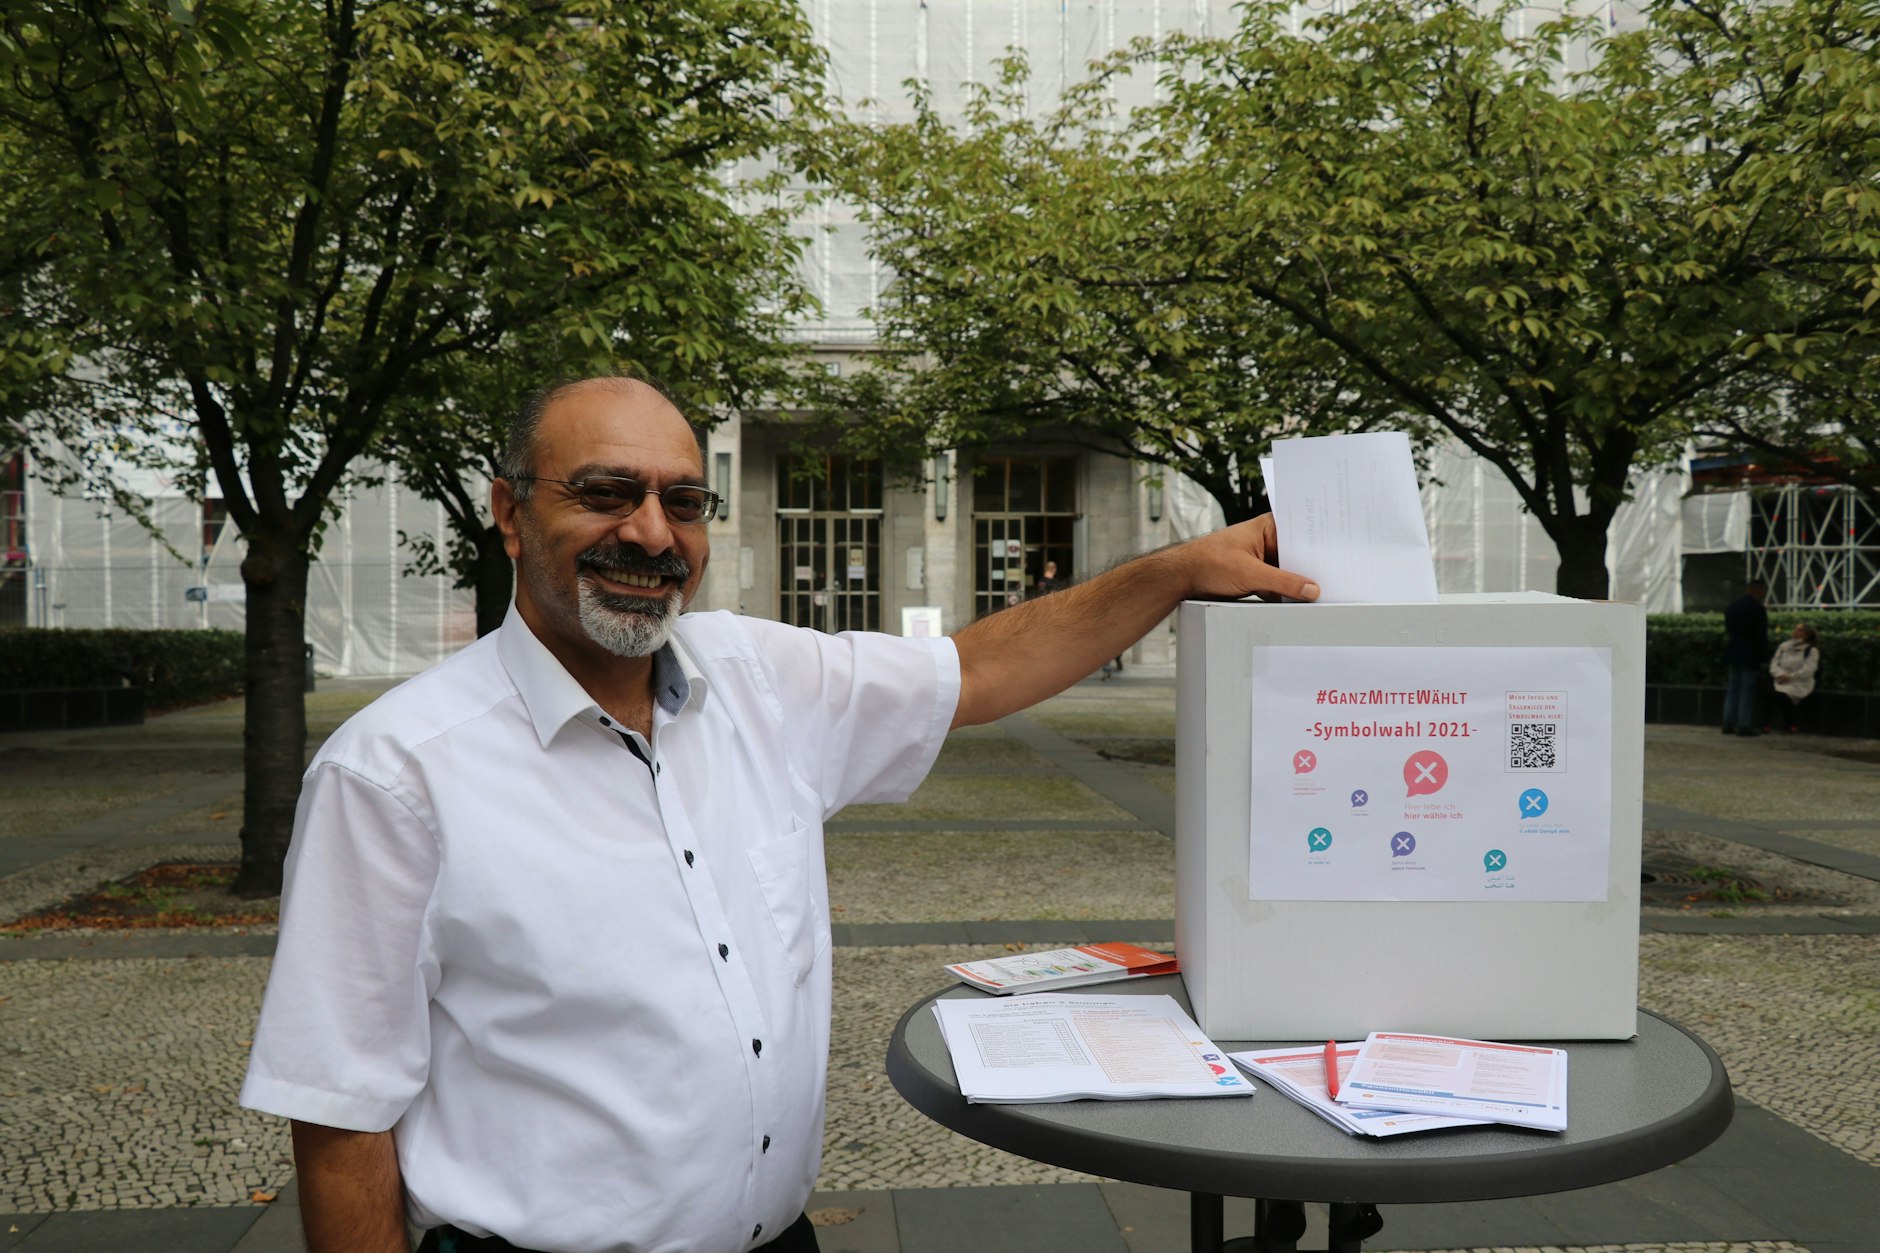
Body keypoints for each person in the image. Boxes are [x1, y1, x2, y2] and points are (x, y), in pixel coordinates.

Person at [239, 375, 1319, 1253]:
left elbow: (976, 669)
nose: (651, 533)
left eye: (684, 500)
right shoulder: (392, 773)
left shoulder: (765, 679)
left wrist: (1176, 571)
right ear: (510, 511)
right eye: (606, 493)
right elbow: (341, 1118)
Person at [1721, 580, 1768, 736]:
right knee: (1746, 690)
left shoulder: (1733, 606)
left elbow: (1729, 629)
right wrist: (1764, 657)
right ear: (1760, 591)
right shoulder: (1757, 609)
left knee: (1733, 688)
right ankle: (1743, 724)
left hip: (1733, 651)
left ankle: (1727, 722)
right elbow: (1760, 636)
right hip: (1750, 653)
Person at [1769, 622, 1821, 732]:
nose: (1795, 631)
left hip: (1799, 683)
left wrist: (1790, 677)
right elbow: (1774, 662)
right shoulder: (1784, 646)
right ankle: (1768, 725)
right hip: (1781, 679)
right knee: (1772, 692)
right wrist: (1779, 674)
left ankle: (1790, 723)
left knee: (1782, 695)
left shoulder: (1811, 650)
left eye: (1799, 630)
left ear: (1806, 635)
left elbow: (1808, 670)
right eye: (1796, 629)